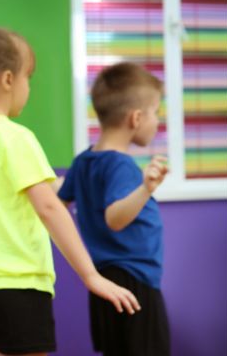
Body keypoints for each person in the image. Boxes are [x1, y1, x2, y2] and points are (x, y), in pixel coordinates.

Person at [0, 27, 140, 356]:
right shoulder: (14, 137)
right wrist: (91, 276)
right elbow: (48, 208)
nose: (28, 86)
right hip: (20, 286)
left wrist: (63, 186)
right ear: (7, 80)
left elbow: (11, 194)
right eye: (28, 77)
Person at [58, 62, 170, 356]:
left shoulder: (84, 161)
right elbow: (115, 218)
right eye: (155, 113)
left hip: (105, 282)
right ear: (135, 118)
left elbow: (59, 200)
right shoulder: (121, 164)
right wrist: (146, 188)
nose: (157, 122)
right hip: (134, 283)